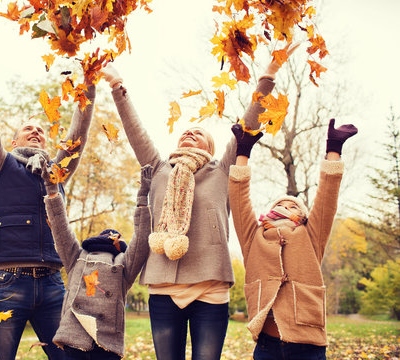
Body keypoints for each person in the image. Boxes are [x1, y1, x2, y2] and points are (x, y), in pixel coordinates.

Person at [100, 47, 296, 359]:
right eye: (186, 132)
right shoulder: (159, 168)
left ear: (212, 146)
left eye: (199, 132)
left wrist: (267, 78)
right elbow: (134, 130)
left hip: (210, 288)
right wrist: (116, 86)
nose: (190, 133)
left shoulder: (221, 170)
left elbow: (248, 125)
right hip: (164, 286)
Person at [0, 16, 96, 360]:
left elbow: (76, 140)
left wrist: (89, 85)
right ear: (12, 140)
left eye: (41, 129)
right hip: (6, 284)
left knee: (72, 357)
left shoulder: (53, 173)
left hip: (54, 284)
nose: (36, 131)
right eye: (28, 128)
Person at [228, 119, 358, 359]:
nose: (286, 207)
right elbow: (238, 201)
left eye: (293, 206)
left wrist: (333, 150)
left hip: (307, 345)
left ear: (303, 216)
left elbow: (327, 197)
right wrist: (243, 152)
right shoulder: (254, 236)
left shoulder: (310, 234)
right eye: (280, 205)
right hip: (267, 345)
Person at [40, 161, 153, 360]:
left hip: (106, 341)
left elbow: (142, 240)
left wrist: (143, 198)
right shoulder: (78, 256)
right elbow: (60, 227)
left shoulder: (121, 264)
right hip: (75, 335)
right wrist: (51, 189)